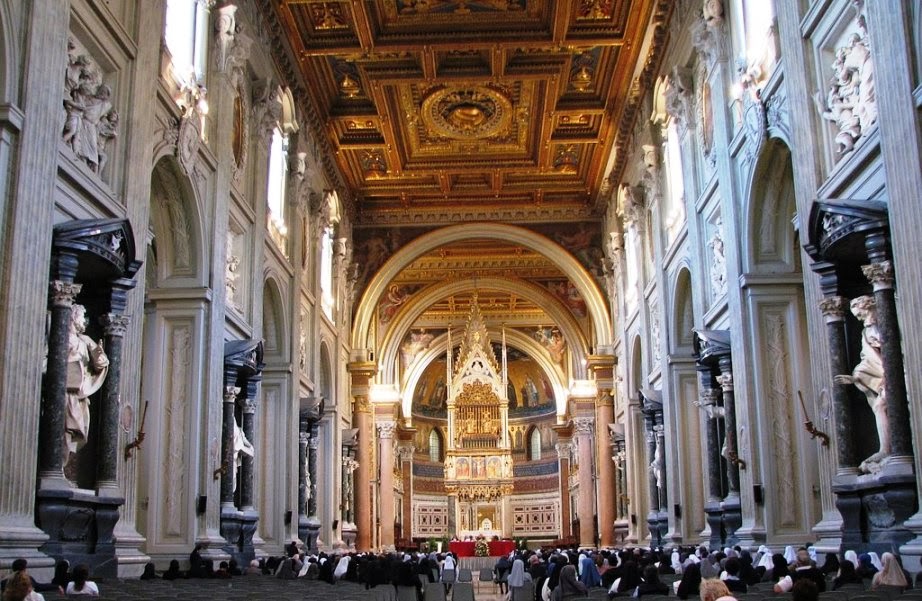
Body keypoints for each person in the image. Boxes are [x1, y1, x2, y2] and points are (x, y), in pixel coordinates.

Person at [834, 296, 889, 472]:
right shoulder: (866, 332)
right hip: (887, 375)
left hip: (901, 371)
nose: (860, 319)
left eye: (861, 314)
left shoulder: (888, 320)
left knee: (881, 405)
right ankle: (886, 449)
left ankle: (887, 450)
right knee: (879, 406)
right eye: (857, 316)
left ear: (870, 306)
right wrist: (856, 377)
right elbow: (869, 360)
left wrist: (889, 376)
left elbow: (897, 350)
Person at [64, 304, 109, 475]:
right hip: (63, 392)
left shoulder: (85, 340)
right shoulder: (61, 337)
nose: (85, 320)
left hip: (80, 394)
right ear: (73, 317)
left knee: (77, 432)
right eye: (82, 316)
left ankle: (66, 470)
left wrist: (98, 355)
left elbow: (101, 362)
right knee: (66, 431)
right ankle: (57, 470)